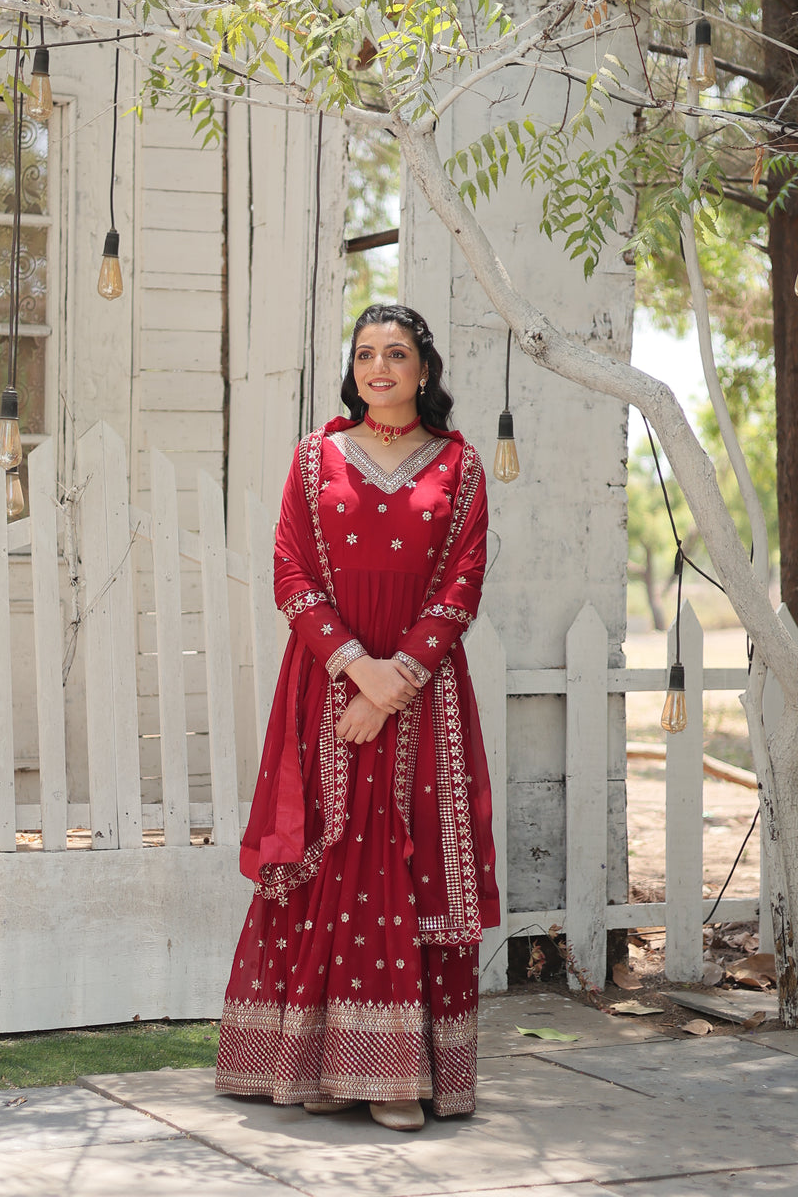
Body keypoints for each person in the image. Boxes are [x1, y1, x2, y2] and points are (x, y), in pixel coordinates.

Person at [215, 303, 499, 1132]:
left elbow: (463, 584)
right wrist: (358, 672)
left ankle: (397, 1075)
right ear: (355, 368)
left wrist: (395, 682)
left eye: (398, 354)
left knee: (404, 863)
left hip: (422, 694)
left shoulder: (461, 466)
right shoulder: (315, 459)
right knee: (328, 857)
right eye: (367, 353)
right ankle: (307, 1062)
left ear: (423, 371)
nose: (381, 368)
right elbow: (290, 570)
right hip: (327, 684)